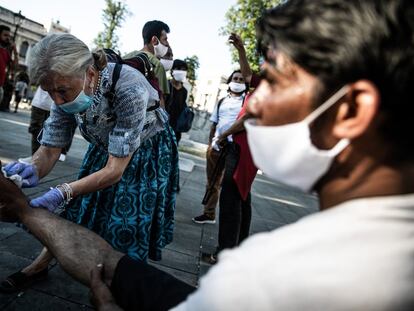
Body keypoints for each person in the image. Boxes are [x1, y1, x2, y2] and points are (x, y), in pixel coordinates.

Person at [2, 0, 414, 310]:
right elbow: (50, 149)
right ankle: (46, 262)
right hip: (108, 158)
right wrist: (30, 177)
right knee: (94, 226)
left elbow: (116, 171)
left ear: (351, 110)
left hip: (138, 156)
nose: (254, 102)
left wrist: (55, 198)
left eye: (275, 81)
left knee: (121, 227)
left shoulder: (265, 278)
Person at [0, 33, 179, 292]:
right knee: (78, 209)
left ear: (91, 75)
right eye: (49, 92)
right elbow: (50, 150)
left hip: (145, 153)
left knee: (125, 221)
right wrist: (31, 167)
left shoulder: (130, 88)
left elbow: (115, 170)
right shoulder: (62, 88)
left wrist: (63, 190)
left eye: (62, 91)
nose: (57, 100)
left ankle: (123, 288)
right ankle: (39, 266)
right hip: (105, 147)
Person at [192, 70, 247, 224]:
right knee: (212, 181)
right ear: (230, 81)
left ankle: (230, 219)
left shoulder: (246, 102)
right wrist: (211, 143)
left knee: (231, 185)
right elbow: (214, 123)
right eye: (235, 78)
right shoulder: (222, 101)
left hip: (234, 148)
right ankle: (209, 213)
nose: (237, 81)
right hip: (217, 146)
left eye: (241, 79)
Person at [124, 20, 171, 108]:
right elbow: (160, 103)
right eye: (165, 39)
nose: (167, 44)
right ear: (154, 40)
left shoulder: (126, 57)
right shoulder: (156, 65)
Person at [18, 86, 70, 163]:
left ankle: (37, 157)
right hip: (46, 103)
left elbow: (36, 81)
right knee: (43, 131)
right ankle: (37, 157)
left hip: (44, 103)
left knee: (40, 130)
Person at [165, 59, 188, 144]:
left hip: (176, 129)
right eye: (179, 69)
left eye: (184, 70)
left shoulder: (184, 91)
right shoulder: (166, 85)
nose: (182, 72)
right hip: (163, 125)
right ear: (172, 71)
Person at [0, 25, 18, 111]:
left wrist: (15, 51)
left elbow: (14, 67)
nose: (8, 38)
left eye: (9, 36)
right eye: (5, 35)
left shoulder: (5, 51)